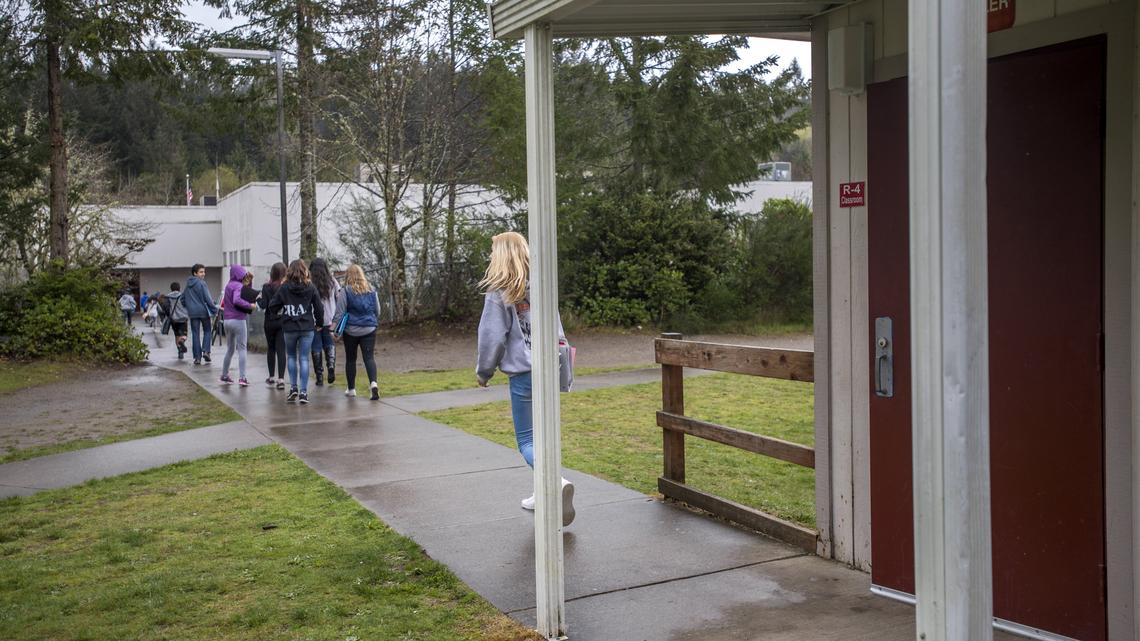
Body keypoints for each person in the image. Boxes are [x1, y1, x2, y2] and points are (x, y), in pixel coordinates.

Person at [475, 231, 575, 526]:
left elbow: (492, 336)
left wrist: (484, 371)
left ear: (500, 255)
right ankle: (541, 492)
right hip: (552, 365)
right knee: (546, 434)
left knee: (527, 440)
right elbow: (556, 326)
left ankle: (555, 484)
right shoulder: (543, 284)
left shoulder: (499, 290)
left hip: (524, 372)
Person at [268, 259, 324, 404]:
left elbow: (272, 306)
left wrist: (280, 313)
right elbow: (319, 307)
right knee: (304, 358)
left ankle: (293, 388)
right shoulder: (310, 286)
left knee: (291, 357)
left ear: (290, 271)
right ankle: (304, 392)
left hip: (289, 327)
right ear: (305, 270)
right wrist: (319, 323)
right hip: (306, 327)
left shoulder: (284, 287)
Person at [331, 264, 381, 400]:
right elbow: (377, 311)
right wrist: (370, 321)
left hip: (351, 330)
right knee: (369, 358)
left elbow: (340, 312)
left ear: (348, 276)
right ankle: (373, 384)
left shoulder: (345, 291)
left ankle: (351, 389)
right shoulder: (371, 290)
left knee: (351, 359)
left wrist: (334, 330)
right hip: (369, 329)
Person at [219, 265, 256, 386]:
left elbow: (245, 292)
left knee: (230, 349)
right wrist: (250, 306)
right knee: (242, 349)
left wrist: (249, 283)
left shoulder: (229, 285)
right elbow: (237, 300)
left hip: (227, 321)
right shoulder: (238, 286)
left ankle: (224, 375)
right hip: (238, 320)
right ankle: (242, 378)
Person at [308, 257, 339, 387]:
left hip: (314, 320)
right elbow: (339, 296)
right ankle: (331, 366)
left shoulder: (309, 283)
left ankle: (319, 376)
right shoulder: (332, 281)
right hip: (330, 319)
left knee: (316, 347)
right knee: (329, 344)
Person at [258, 262, 288, 389]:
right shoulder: (285, 287)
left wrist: (258, 298)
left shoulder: (266, 287)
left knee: (271, 349)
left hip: (269, 322)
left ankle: (271, 377)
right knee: (281, 350)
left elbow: (263, 305)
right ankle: (281, 379)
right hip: (282, 321)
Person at [183, 264, 218, 365]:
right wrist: (214, 310)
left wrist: (189, 306)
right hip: (203, 311)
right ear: (195, 273)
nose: (203, 274)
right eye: (201, 272)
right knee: (207, 330)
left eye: (204, 272)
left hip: (192, 313)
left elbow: (182, 299)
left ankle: (197, 358)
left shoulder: (187, 285)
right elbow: (208, 299)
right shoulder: (202, 283)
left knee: (195, 334)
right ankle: (206, 351)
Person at [160, 281, 189, 359]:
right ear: (179, 288)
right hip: (183, 318)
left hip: (173, 319)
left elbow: (165, 308)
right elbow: (187, 305)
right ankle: (182, 341)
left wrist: (169, 315)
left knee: (176, 335)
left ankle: (180, 351)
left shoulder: (167, 297)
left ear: (171, 289)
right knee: (184, 335)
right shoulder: (183, 296)